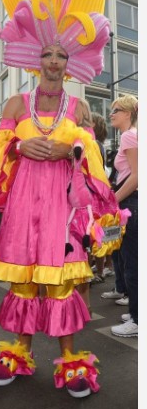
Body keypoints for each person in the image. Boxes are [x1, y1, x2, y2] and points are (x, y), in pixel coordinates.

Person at [0, 0, 119, 398]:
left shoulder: (79, 107)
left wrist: (72, 147)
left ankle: (70, 361)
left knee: (60, 282)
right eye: (48, 53)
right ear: (35, 58)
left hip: (61, 205)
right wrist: (18, 145)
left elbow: (93, 157)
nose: (55, 61)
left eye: (62, 54)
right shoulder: (14, 106)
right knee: (24, 279)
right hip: (24, 202)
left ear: (70, 61)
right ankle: (18, 353)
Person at [109, 95, 138, 337]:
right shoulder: (131, 135)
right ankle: (135, 311)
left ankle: (138, 320)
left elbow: (137, 176)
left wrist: (114, 200)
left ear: (128, 113)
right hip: (131, 202)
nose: (111, 115)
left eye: (115, 110)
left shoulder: (130, 135)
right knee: (130, 261)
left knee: (132, 264)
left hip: (132, 203)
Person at [90, 112, 114, 284]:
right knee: (99, 231)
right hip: (99, 192)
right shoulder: (100, 144)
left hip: (94, 192)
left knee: (96, 231)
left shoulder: (94, 144)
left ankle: (100, 269)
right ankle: (103, 267)